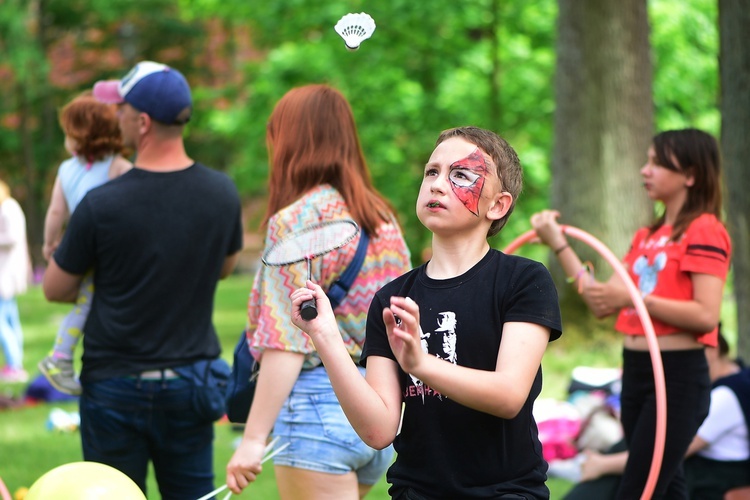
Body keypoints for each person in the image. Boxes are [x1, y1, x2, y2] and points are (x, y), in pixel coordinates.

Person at [288, 126, 563, 499]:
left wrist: (420, 364)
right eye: (431, 172)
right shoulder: (391, 298)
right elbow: (379, 430)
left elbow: (508, 395)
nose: (437, 184)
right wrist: (324, 336)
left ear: (497, 205)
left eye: (460, 175)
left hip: (506, 492)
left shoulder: (524, 280)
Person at [42, 60, 243, 500]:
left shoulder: (101, 204)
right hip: (191, 381)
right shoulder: (221, 193)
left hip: (114, 384)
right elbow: (224, 268)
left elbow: (55, 289)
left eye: (122, 109)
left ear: (143, 122)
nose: (115, 118)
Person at [225, 84, 411, 499]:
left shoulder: (294, 222)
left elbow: (287, 338)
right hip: (378, 409)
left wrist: (253, 440)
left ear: (290, 141)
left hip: (316, 411)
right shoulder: (383, 219)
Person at [531, 128, 732, 499]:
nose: (644, 170)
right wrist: (559, 243)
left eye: (657, 163)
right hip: (637, 372)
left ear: (690, 175)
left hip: (677, 377)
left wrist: (636, 297)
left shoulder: (705, 230)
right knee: (666, 486)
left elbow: (706, 315)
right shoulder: (646, 237)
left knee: (639, 487)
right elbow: (600, 300)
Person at [563, 331, 750, 500]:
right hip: (705, 472)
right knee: (636, 445)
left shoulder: (725, 396)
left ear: (711, 350)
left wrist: (603, 465)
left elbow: (672, 451)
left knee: (631, 465)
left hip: (712, 482)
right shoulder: (738, 381)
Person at [38, 93, 132, 395]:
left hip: (79, 246)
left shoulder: (67, 169)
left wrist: (50, 242)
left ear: (80, 135)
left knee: (87, 302)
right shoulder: (118, 166)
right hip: (106, 249)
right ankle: (59, 357)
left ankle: (63, 357)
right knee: (87, 302)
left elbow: (56, 211)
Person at [0, 179, 30, 383]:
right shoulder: (9, 207)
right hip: (8, 273)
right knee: (10, 319)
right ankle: (15, 363)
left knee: (3, 322)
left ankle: (14, 365)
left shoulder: (8, 208)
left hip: (6, 273)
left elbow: (12, 237)